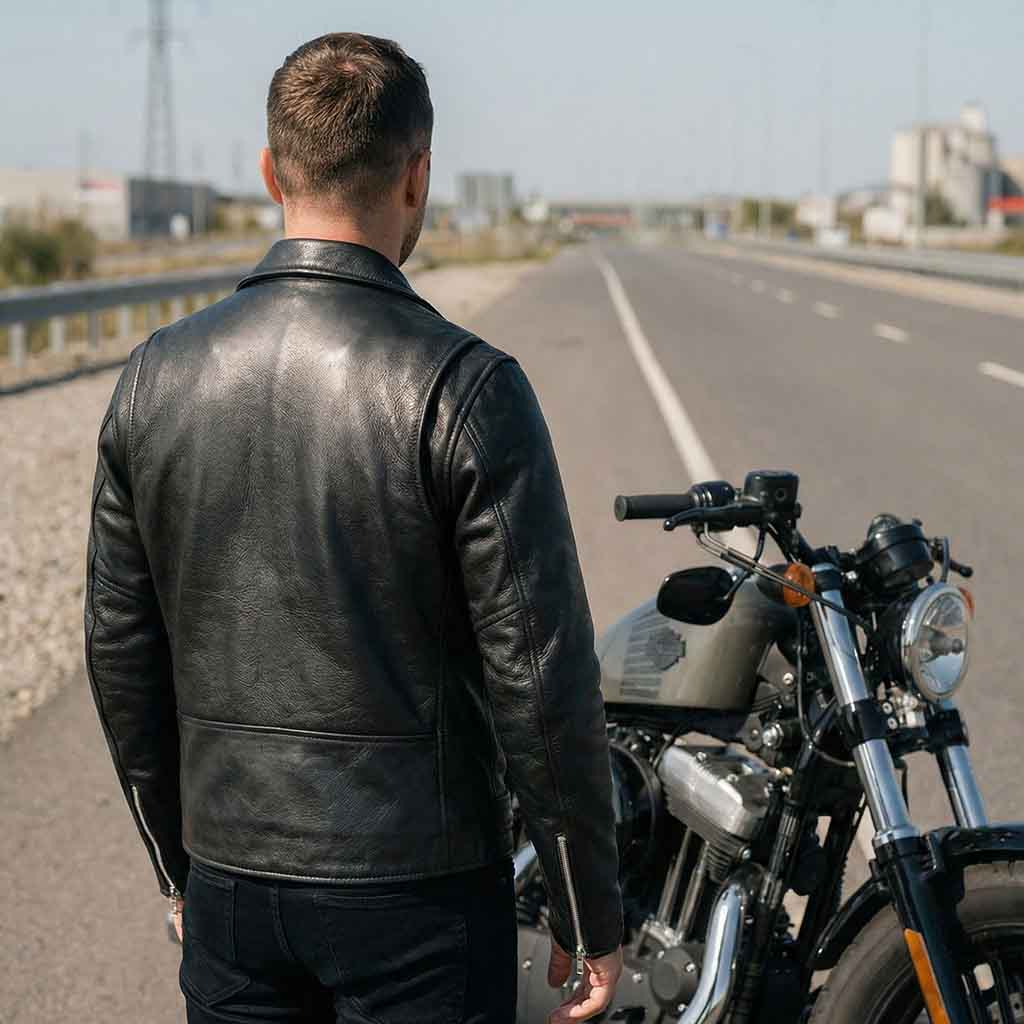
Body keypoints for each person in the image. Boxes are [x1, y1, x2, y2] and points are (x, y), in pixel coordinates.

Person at [83, 31, 622, 1024]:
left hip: (231, 886)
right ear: (416, 176)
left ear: (268, 171)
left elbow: (120, 652)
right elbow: (538, 676)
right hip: (416, 891)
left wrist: (178, 866)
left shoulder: (156, 375)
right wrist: (588, 905)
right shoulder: (468, 387)